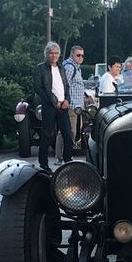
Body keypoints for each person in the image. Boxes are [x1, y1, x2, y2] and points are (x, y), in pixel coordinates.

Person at [35, 42, 73, 171]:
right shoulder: (40, 68)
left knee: (68, 134)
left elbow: (66, 85)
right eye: (51, 53)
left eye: (56, 53)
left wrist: (67, 99)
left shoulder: (61, 67)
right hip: (49, 106)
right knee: (46, 136)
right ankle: (43, 164)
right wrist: (53, 101)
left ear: (59, 55)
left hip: (63, 106)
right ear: (46, 54)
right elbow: (38, 88)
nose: (54, 55)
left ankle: (68, 160)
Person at [56, 45, 86, 165]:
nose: (80, 58)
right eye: (78, 55)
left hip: (76, 106)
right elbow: (64, 85)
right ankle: (62, 157)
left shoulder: (76, 68)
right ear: (72, 55)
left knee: (72, 132)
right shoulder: (69, 68)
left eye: (82, 55)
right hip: (70, 106)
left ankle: (65, 156)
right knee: (68, 132)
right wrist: (65, 101)